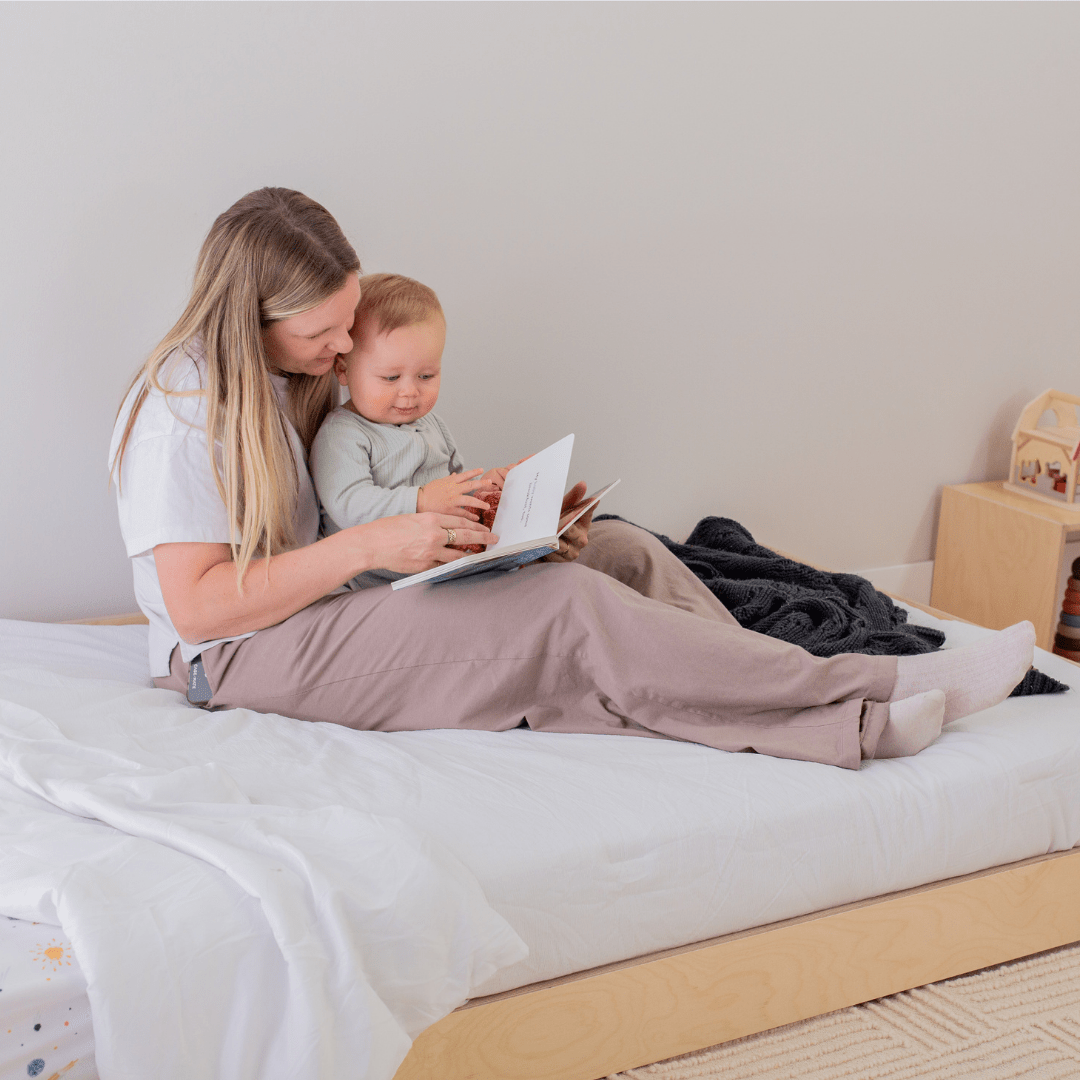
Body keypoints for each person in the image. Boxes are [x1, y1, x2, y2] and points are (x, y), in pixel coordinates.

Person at [109, 186, 1036, 772]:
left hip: (327, 599)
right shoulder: (183, 412)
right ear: (256, 315)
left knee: (619, 552)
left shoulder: (287, 377)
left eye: (351, 322)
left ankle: (781, 694)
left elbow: (353, 516)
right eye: (327, 333)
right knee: (560, 609)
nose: (347, 347)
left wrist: (498, 522)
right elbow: (199, 611)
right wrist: (377, 543)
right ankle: (862, 695)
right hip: (233, 659)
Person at [308, 273, 509, 589]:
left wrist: (486, 488)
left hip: (440, 566)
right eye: (391, 378)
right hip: (374, 586)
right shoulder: (343, 435)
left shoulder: (431, 424)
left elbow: (454, 488)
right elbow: (349, 505)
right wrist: (420, 501)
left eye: (426, 376)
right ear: (343, 370)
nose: (410, 392)